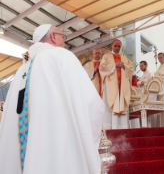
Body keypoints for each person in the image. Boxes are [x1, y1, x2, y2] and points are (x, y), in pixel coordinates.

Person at [0, 24, 105, 174]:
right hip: (57, 145)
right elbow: (90, 103)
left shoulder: (20, 71)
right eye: (63, 36)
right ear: (54, 37)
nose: (65, 43)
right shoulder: (61, 56)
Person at [100, 39, 133, 129]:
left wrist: (124, 66)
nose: (117, 48)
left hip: (122, 87)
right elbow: (102, 68)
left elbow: (130, 68)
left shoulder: (124, 59)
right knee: (110, 105)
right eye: (115, 46)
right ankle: (109, 127)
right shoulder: (106, 57)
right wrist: (114, 65)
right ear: (112, 46)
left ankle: (122, 127)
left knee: (121, 103)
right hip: (111, 86)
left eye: (119, 46)